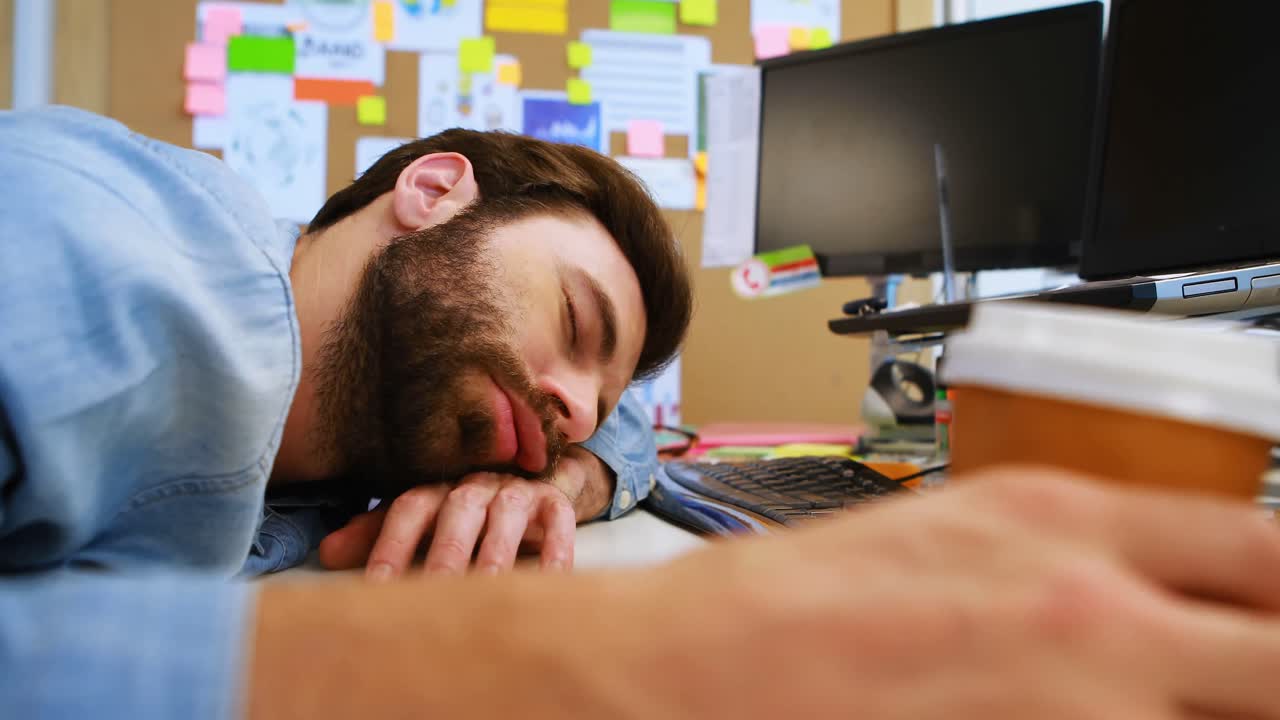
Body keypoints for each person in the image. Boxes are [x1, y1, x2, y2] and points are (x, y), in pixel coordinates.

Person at [3, 107, 1280, 719]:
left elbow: (626, 427)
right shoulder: (112, 268)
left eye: (587, 397)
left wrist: (549, 476)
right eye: (575, 324)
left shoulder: (362, 416)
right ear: (435, 191)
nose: (567, 404)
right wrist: (595, 655)